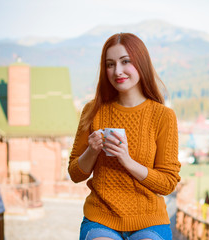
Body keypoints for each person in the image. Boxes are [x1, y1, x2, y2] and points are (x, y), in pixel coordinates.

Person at [68, 32, 181, 240]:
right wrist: (92, 151)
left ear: (141, 63)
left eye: (125, 62)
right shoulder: (92, 111)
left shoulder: (163, 116)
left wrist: (127, 161)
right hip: (101, 219)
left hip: (150, 221)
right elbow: (75, 174)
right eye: (110, 64)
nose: (117, 71)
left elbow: (168, 183)